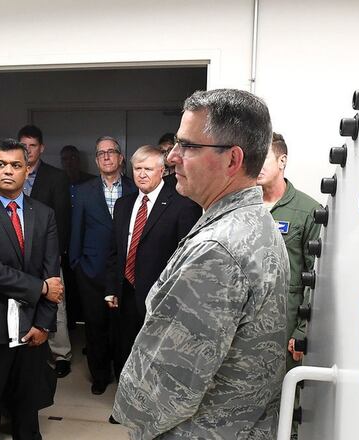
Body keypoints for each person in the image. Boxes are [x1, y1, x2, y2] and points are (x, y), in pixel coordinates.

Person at [113, 89, 290, 439]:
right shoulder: (252, 221)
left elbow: (169, 388)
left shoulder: (217, 249)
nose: (173, 158)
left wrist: (132, 417)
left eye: (188, 147)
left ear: (232, 160)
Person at [0, 138, 64, 440]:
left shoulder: (43, 214)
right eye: (1, 164)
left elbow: (52, 273)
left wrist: (44, 322)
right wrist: (41, 287)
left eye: (16, 165)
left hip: (32, 326)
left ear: (27, 169)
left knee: (27, 407)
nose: (9, 171)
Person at [105, 145, 201, 376]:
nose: (142, 174)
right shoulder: (123, 205)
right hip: (126, 292)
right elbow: (115, 251)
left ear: (162, 171)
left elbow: (185, 258)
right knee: (125, 350)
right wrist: (111, 288)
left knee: (156, 356)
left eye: (148, 168)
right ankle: (123, 403)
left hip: (161, 296)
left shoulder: (182, 205)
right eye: (137, 168)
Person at [258, 132, 322, 438]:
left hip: (285, 324)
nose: (256, 164)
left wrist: (300, 331)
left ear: (282, 161)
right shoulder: (244, 206)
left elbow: (316, 276)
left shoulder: (308, 210)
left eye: (264, 157)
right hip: (247, 322)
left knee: (285, 398)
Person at [70, 136, 137, 395]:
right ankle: (99, 375)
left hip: (124, 272)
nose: (107, 156)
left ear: (121, 158)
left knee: (122, 328)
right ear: (97, 160)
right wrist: (76, 263)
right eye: (101, 153)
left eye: (112, 152)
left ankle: (124, 376)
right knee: (95, 326)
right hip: (91, 270)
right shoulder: (84, 190)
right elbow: (76, 230)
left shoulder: (134, 188)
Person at [17, 125, 74, 378]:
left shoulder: (56, 177)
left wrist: (57, 253)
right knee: (21, 301)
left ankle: (61, 354)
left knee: (55, 303)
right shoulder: (12, 172)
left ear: (41, 148)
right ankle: (25, 349)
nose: (28, 150)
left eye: (32, 145)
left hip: (47, 253)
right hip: (16, 253)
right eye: (24, 145)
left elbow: (62, 219)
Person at [59, 144, 95, 327]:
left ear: (78, 160)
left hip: (87, 242)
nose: (69, 162)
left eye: (73, 158)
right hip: (64, 241)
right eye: (65, 159)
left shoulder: (91, 181)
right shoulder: (57, 182)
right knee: (66, 287)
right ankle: (71, 324)